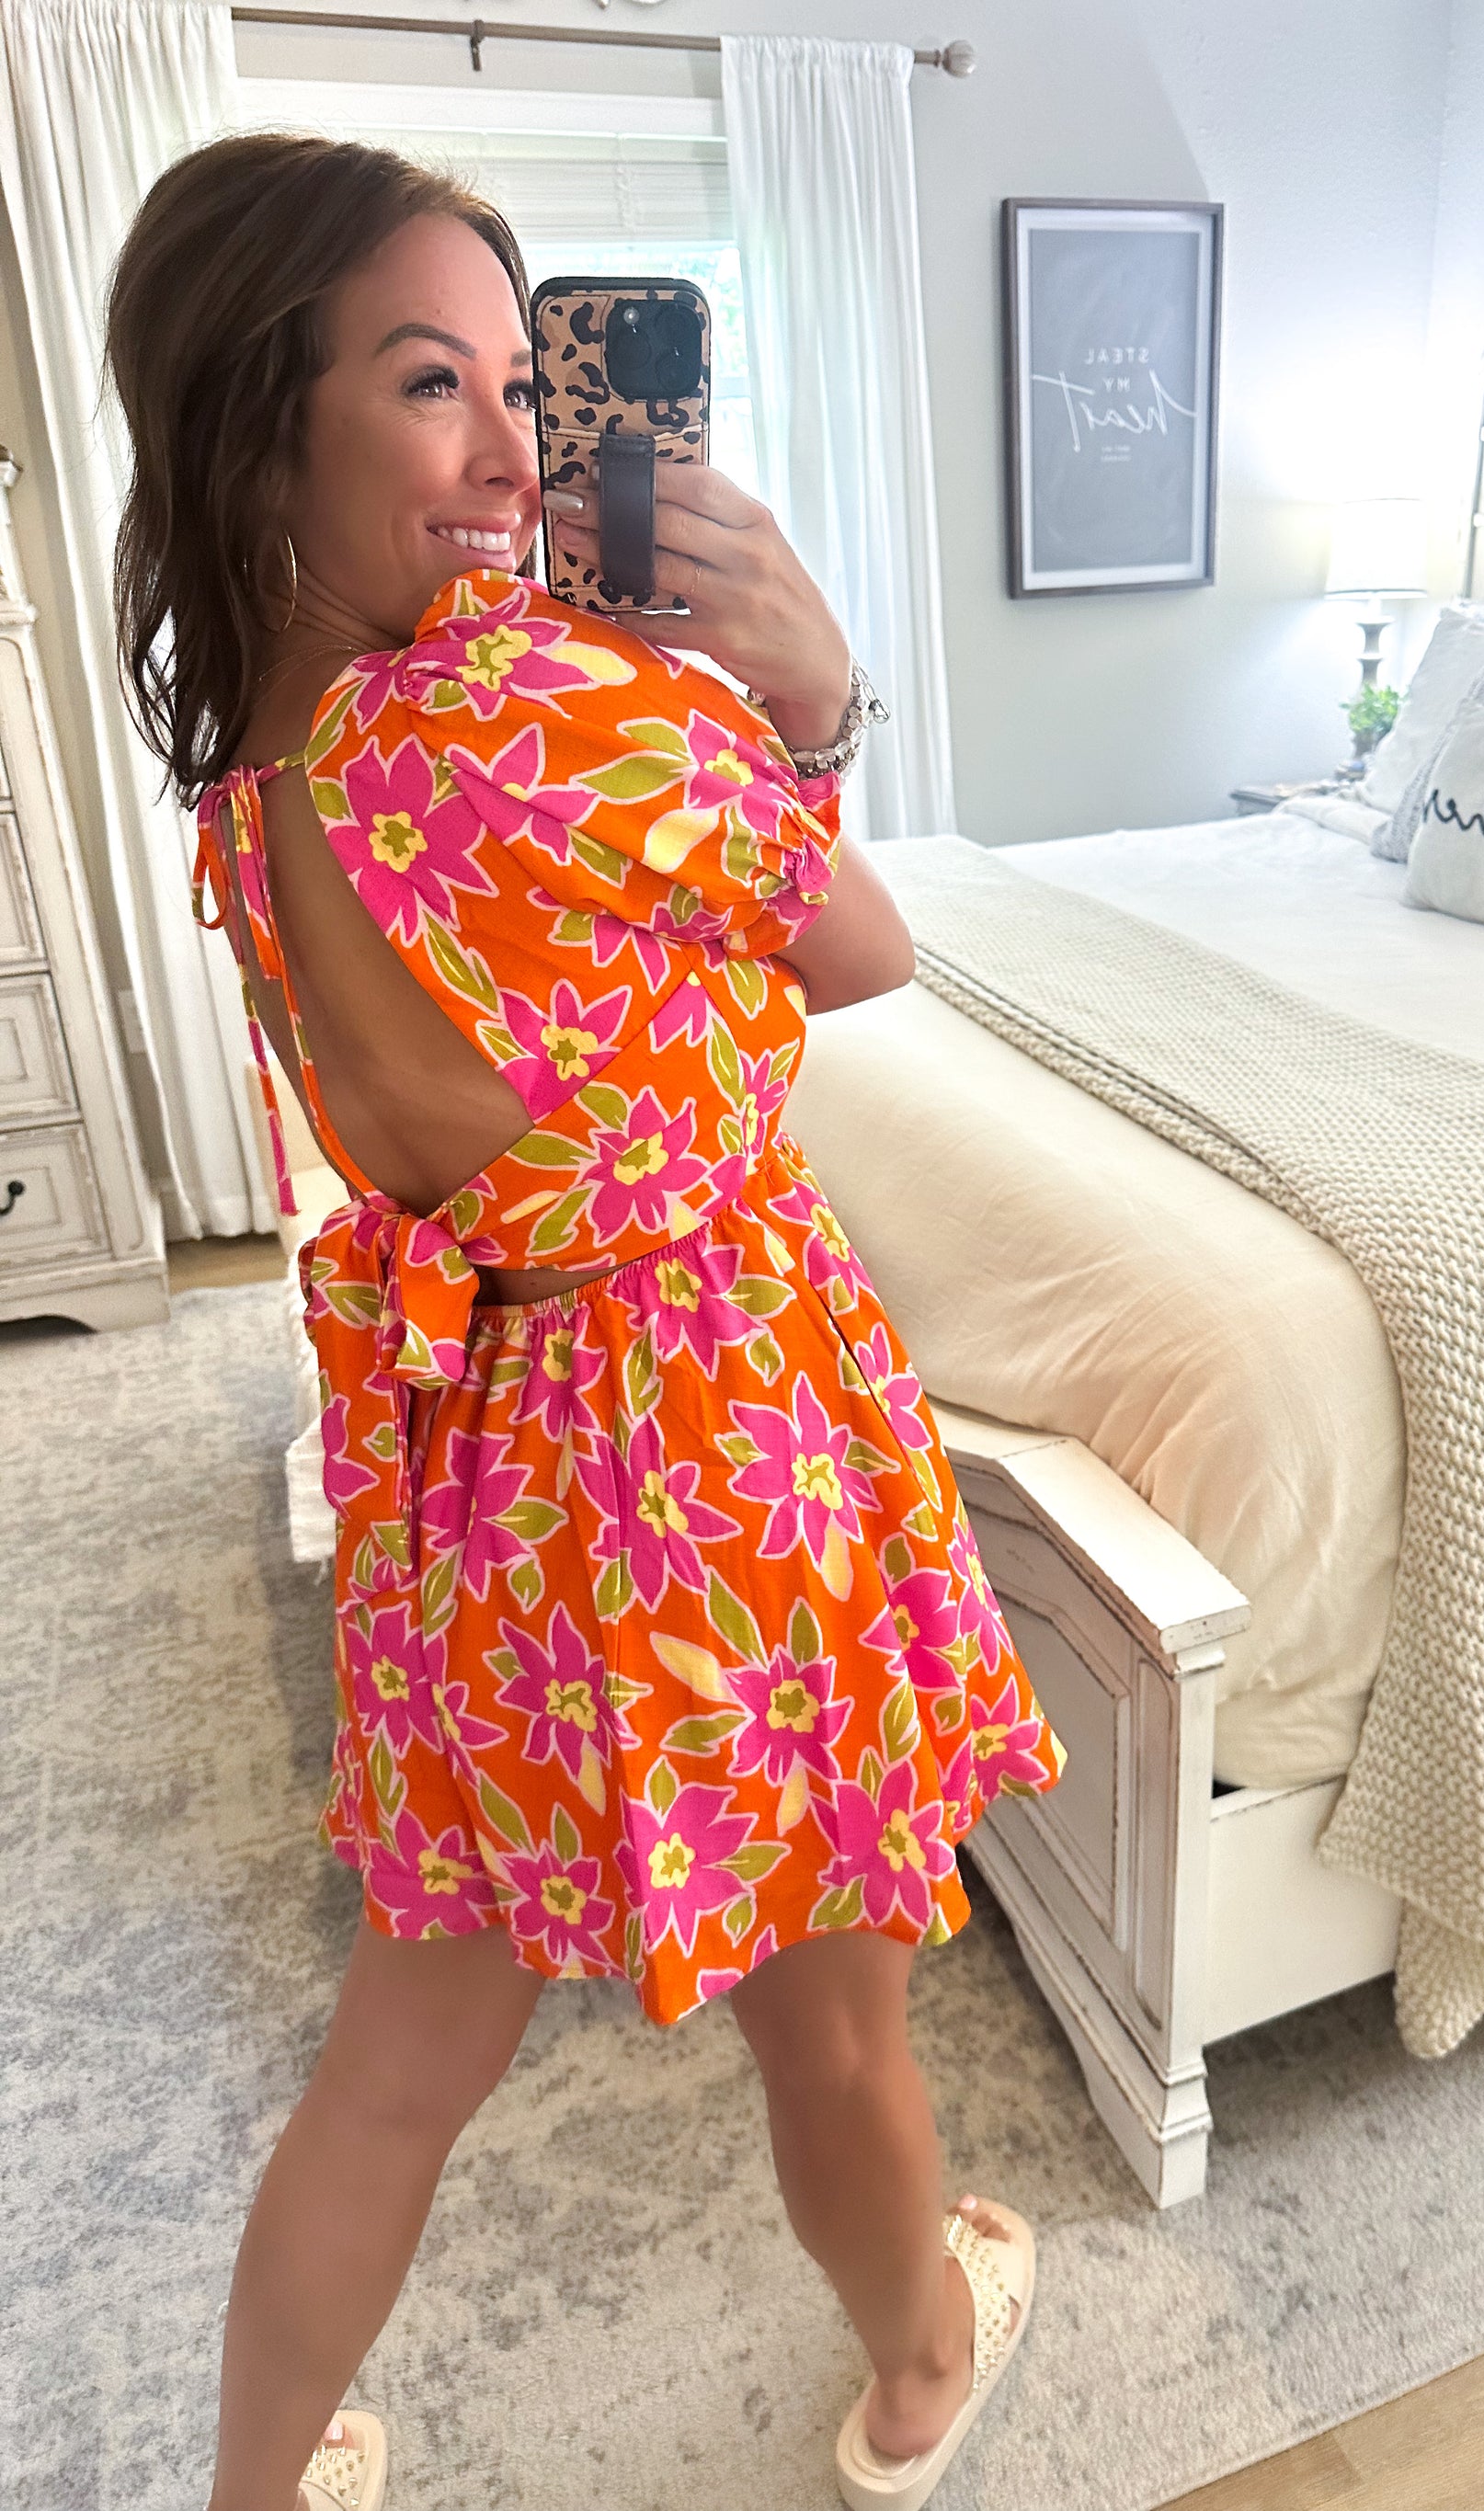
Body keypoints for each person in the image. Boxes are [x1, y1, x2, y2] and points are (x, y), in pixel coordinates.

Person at [107, 131, 1064, 2511]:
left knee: (397, 2068)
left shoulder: (255, 788)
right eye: (430, 384)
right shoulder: (548, 706)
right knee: (834, 2028)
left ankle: (251, 2485)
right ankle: (921, 2375)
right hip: (718, 1423)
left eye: (522, 387)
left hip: (486, 1462)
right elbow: (864, 949)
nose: (515, 454)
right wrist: (811, 695)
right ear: (261, 435)